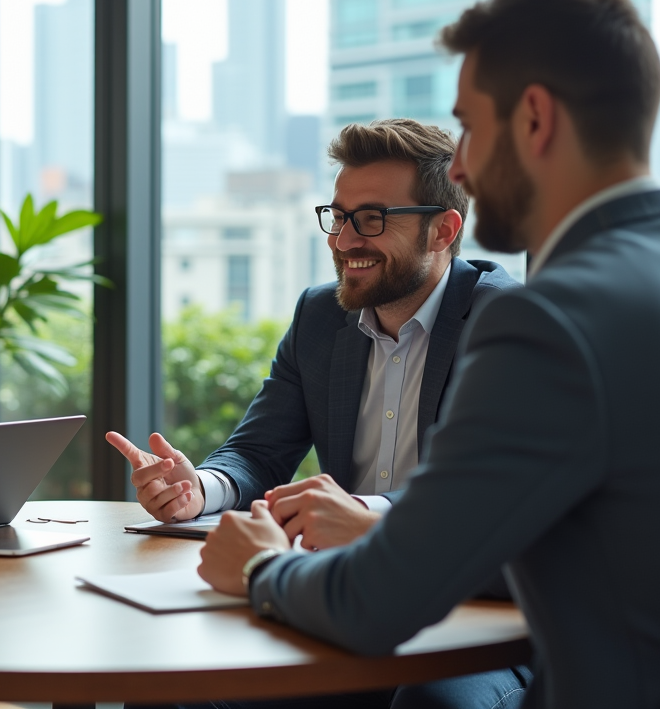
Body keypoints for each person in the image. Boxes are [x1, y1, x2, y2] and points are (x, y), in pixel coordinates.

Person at [197, 0, 660, 709]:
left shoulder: (547, 321)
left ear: (534, 119)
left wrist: (258, 569)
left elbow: (378, 599)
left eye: (469, 126)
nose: (464, 167)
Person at [110, 118, 526, 707]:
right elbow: (259, 450)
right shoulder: (319, 317)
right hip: (347, 598)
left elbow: (487, 501)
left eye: (372, 219)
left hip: (472, 612)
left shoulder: (507, 324)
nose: (344, 240)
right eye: (338, 216)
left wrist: (360, 513)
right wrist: (200, 488)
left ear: (443, 230)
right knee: (171, 680)